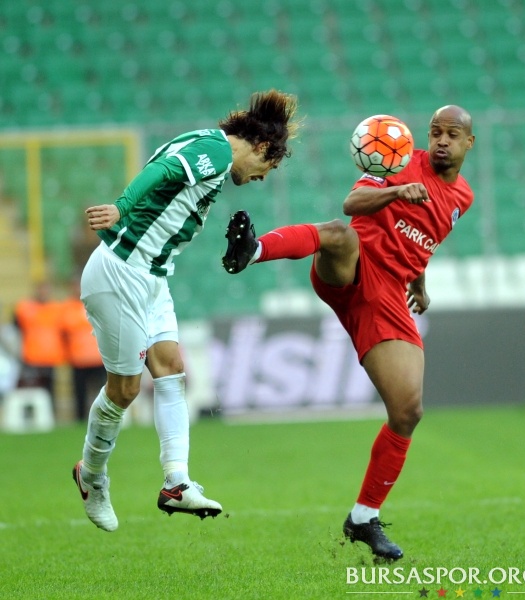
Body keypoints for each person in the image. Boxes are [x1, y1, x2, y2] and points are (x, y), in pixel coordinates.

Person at [222, 105, 475, 559]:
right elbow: (352, 204)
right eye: (435, 131)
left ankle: (363, 517)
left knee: (408, 411)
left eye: (451, 134)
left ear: (468, 143)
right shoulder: (399, 160)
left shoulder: (463, 198)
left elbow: (423, 240)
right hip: (353, 267)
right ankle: (252, 250)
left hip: (388, 295)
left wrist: (420, 283)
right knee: (339, 232)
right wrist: (397, 190)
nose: (441, 140)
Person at [73, 90, 300, 532]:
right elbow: (163, 171)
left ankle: (176, 483)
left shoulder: (209, 146)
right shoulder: (217, 150)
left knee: (172, 369)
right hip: (121, 273)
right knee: (124, 391)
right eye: (268, 167)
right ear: (261, 147)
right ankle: (92, 475)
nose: (261, 178)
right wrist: (121, 207)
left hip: (153, 277)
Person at [60, 278, 106, 420]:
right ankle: (81, 419)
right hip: (78, 358)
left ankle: (103, 418)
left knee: (102, 392)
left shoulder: (96, 303)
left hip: (98, 357)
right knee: (80, 393)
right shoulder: (66, 308)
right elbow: (62, 333)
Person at [13, 281, 66, 405]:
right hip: (31, 356)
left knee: (50, 389)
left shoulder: (57, 308)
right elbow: (15, 329)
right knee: (33, 389)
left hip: (50, 356)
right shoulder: (24, 307)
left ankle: (50, 412)